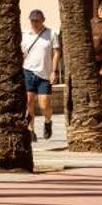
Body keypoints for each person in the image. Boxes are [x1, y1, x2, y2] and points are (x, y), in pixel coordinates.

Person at [20, 9, 59, 140]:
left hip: (44, 74)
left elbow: (56, 53)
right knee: (29, 102)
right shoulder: (25, 35)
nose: (34, 23)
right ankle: (31, 130)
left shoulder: (51, 34)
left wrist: (54, 71)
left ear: (43, 20)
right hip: (28, 71)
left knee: (44, 104)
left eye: (37, 21)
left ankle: (48, 121)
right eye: (32, 21)